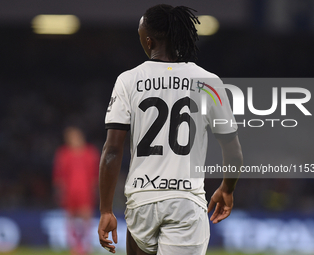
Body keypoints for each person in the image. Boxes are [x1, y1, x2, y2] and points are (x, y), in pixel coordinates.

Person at [98, 4, 243, 255]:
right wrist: (226, 189)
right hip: (185, 201)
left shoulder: (128, 80)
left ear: (148, 40)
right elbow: (233, 151)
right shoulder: (208, 82)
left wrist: (106, 210)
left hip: (141, 201)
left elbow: (112, 150)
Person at [53, 126, 100, 255]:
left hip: (85, 191)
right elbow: (59, 175)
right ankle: (74, 246)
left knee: (86, 219)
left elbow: (95, 174)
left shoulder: (90, 152)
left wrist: (95, 190)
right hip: (70, 192)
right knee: (70, 220)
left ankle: (86, 245)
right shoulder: (63, 153)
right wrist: (60, 191)